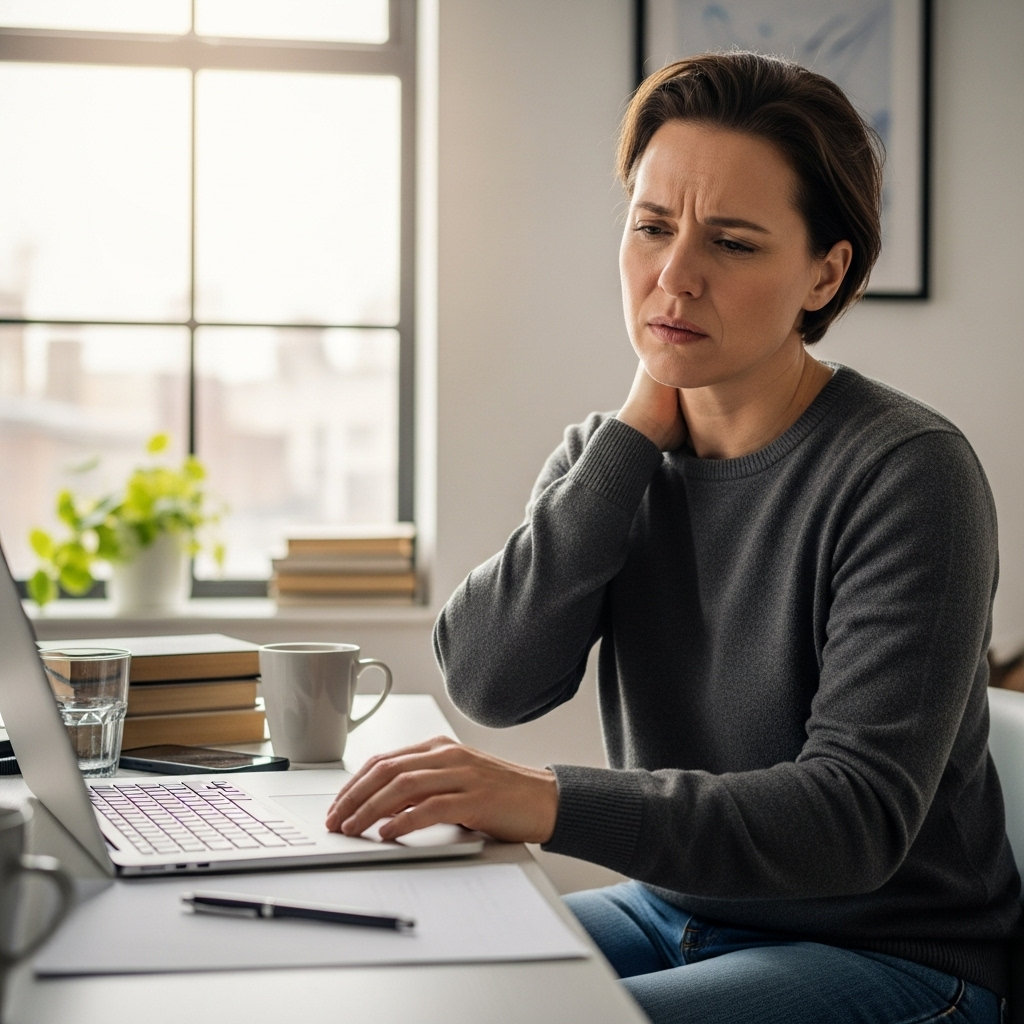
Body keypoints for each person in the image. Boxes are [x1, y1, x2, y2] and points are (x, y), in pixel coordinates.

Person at [326, 52, 1020, 1023]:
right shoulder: (613, 456)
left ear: (825, 273)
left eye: (731, 243)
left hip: (893, 952)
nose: (674, 275)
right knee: (420, 989)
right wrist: (629, 439)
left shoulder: (907, 471)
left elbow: (852, 819)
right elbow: (490, 681)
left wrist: (547, 799)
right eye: (651, 227)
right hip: (677, 912)